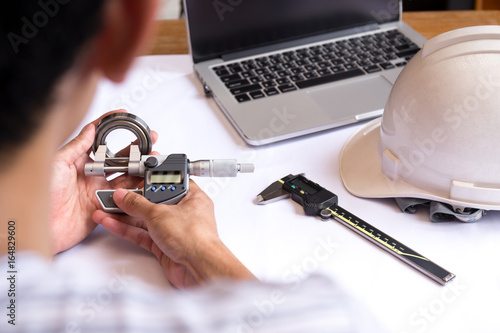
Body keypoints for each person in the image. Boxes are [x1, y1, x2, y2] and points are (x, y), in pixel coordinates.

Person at [0, 1, 380, 331]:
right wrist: (204, 253)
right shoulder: (327, 319)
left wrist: (32, 231)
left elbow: (14, 298)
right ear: (127, 29)